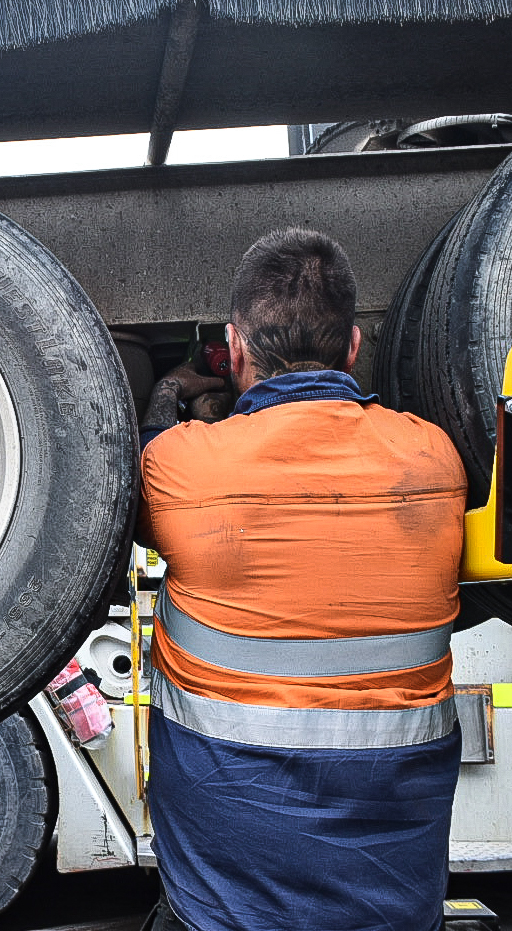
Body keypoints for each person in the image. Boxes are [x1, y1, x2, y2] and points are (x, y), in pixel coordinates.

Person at [137, 228, 467, 931]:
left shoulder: (180, 466)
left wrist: (170, 390)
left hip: (226, 903)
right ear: (352, 346)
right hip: (396, 904)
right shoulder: (433, 458)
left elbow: (128, 478)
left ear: (235, 347)